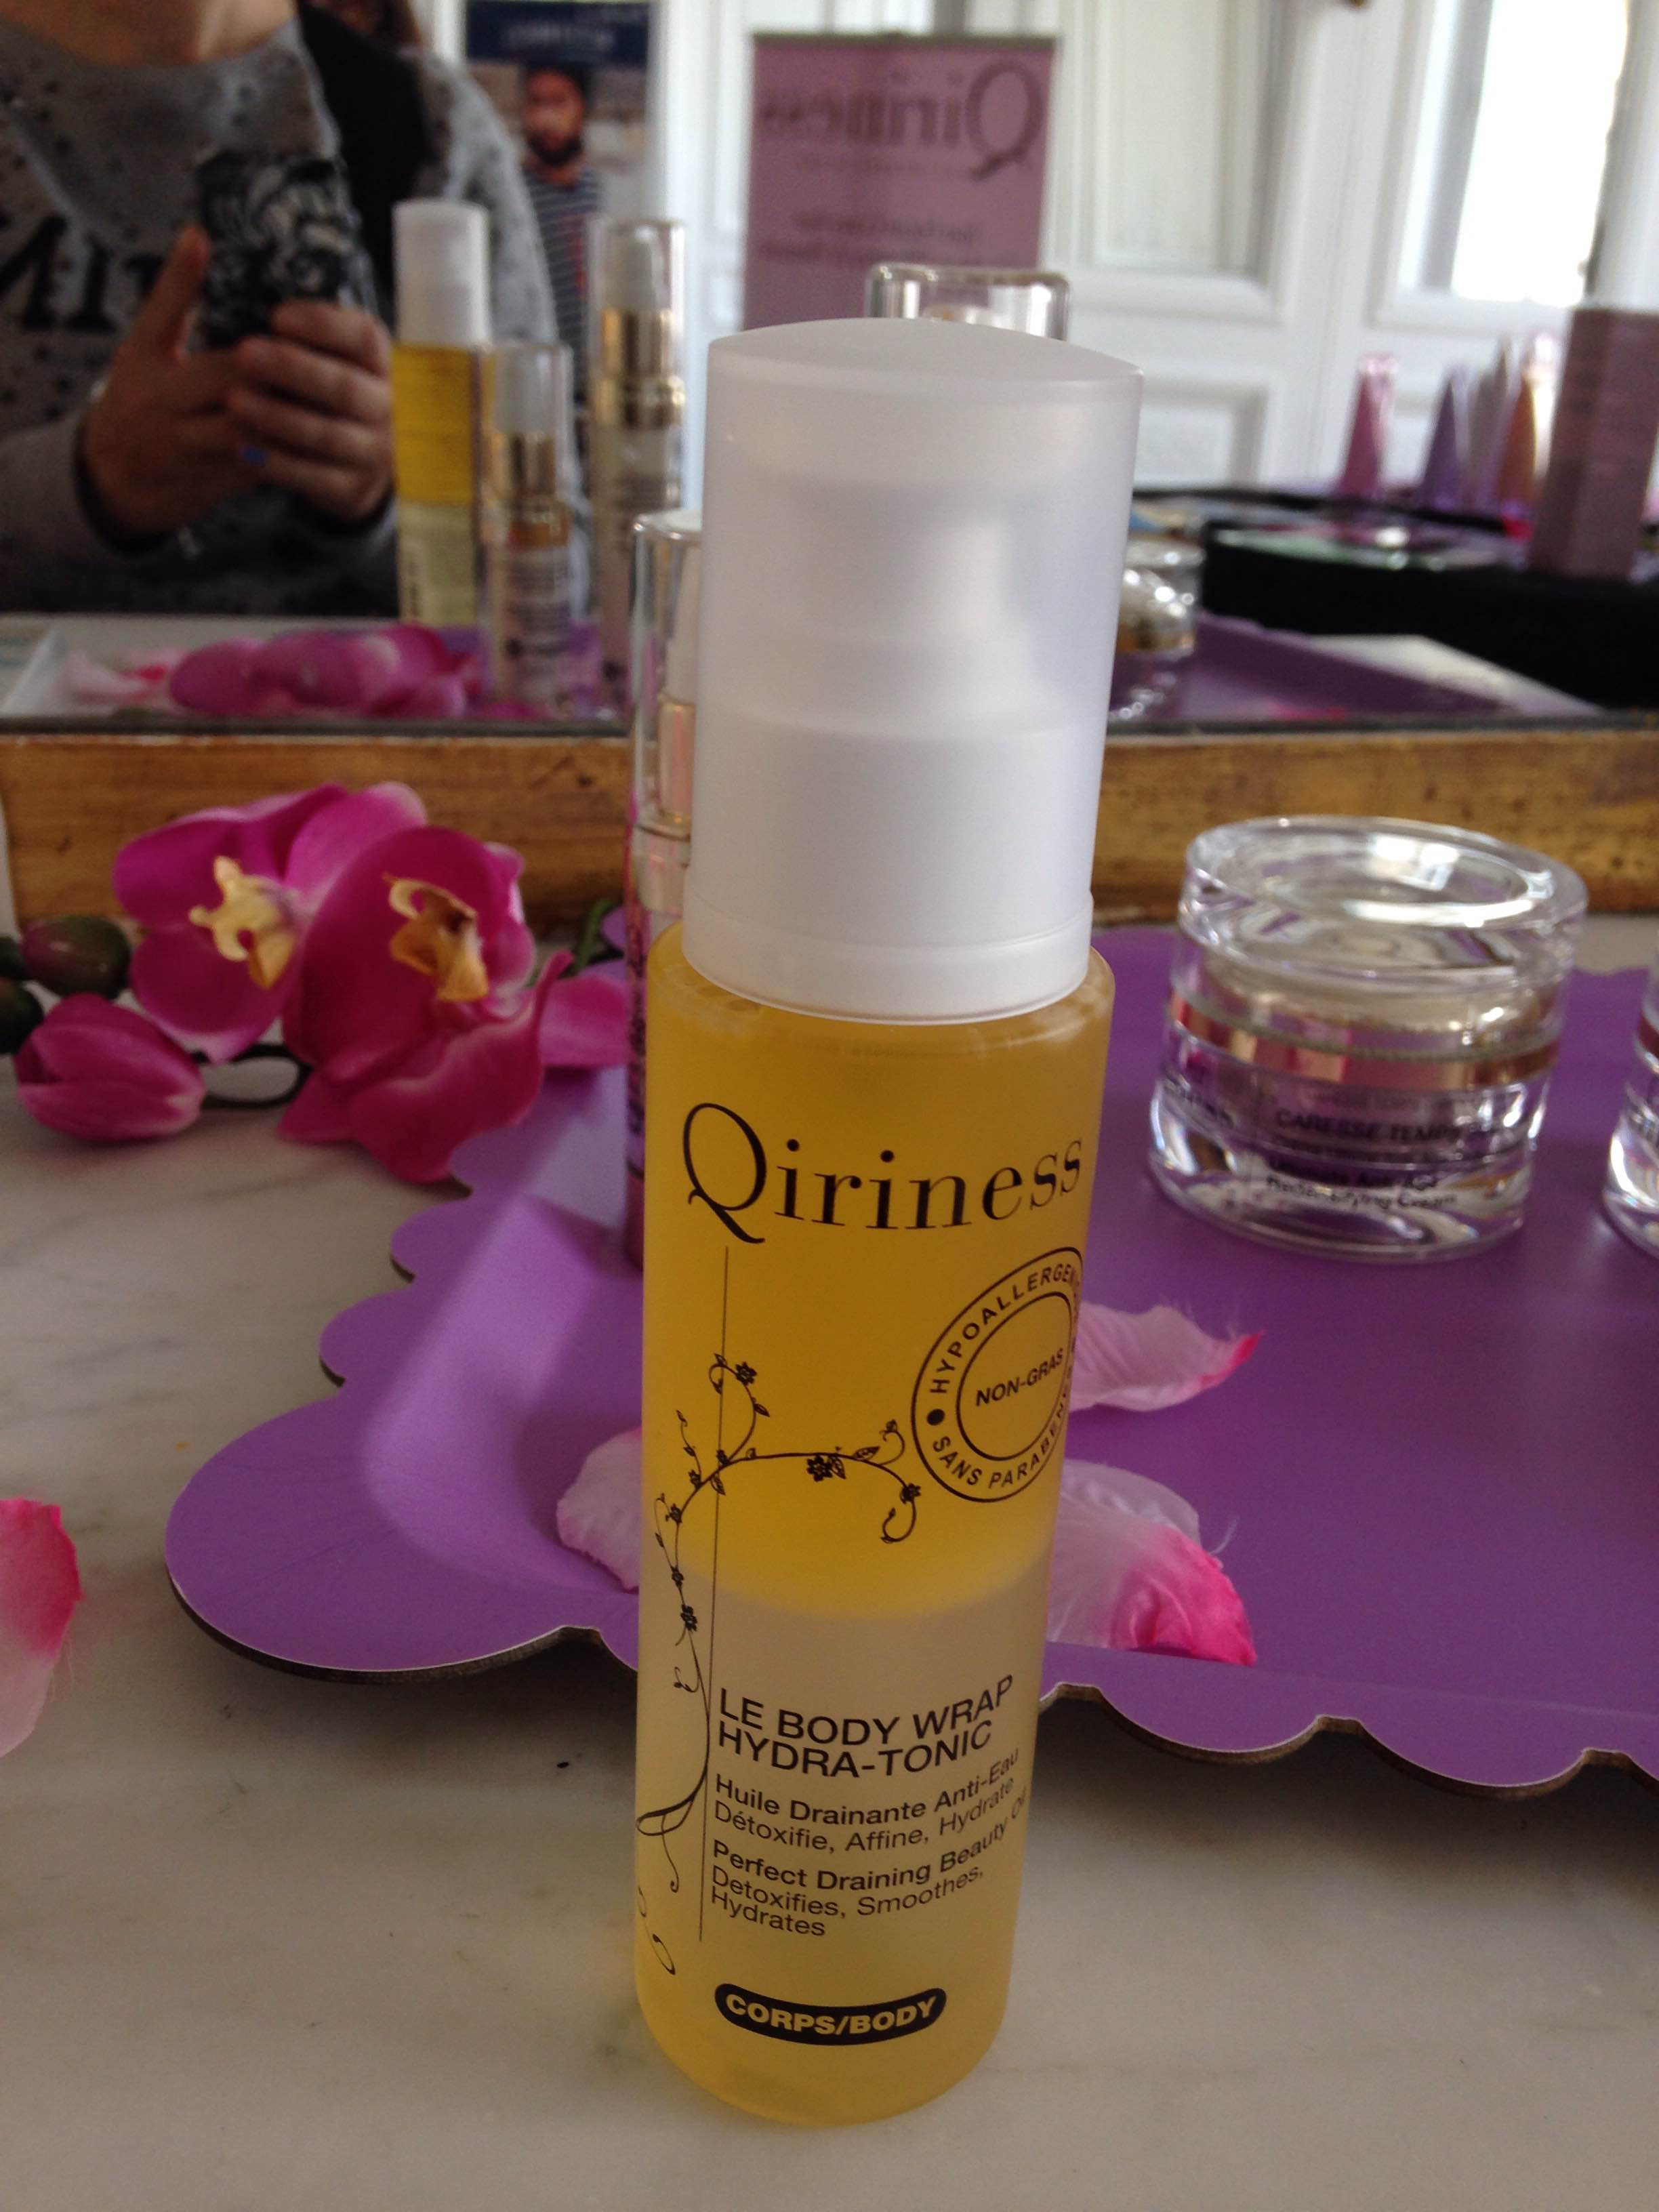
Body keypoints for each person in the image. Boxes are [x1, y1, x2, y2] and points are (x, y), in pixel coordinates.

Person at [0, 0, 553, 614]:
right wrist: (82, 489)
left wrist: (389, 495)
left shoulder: (427, 123)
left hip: (357, 676)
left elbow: (553, 585)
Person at [518, 61, 602, 405]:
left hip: (592, 380)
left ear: (582, 109)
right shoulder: (513, 195)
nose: (546, 117)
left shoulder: (596, 189)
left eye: (559, 102)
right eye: (537, 103)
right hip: (533, 381)